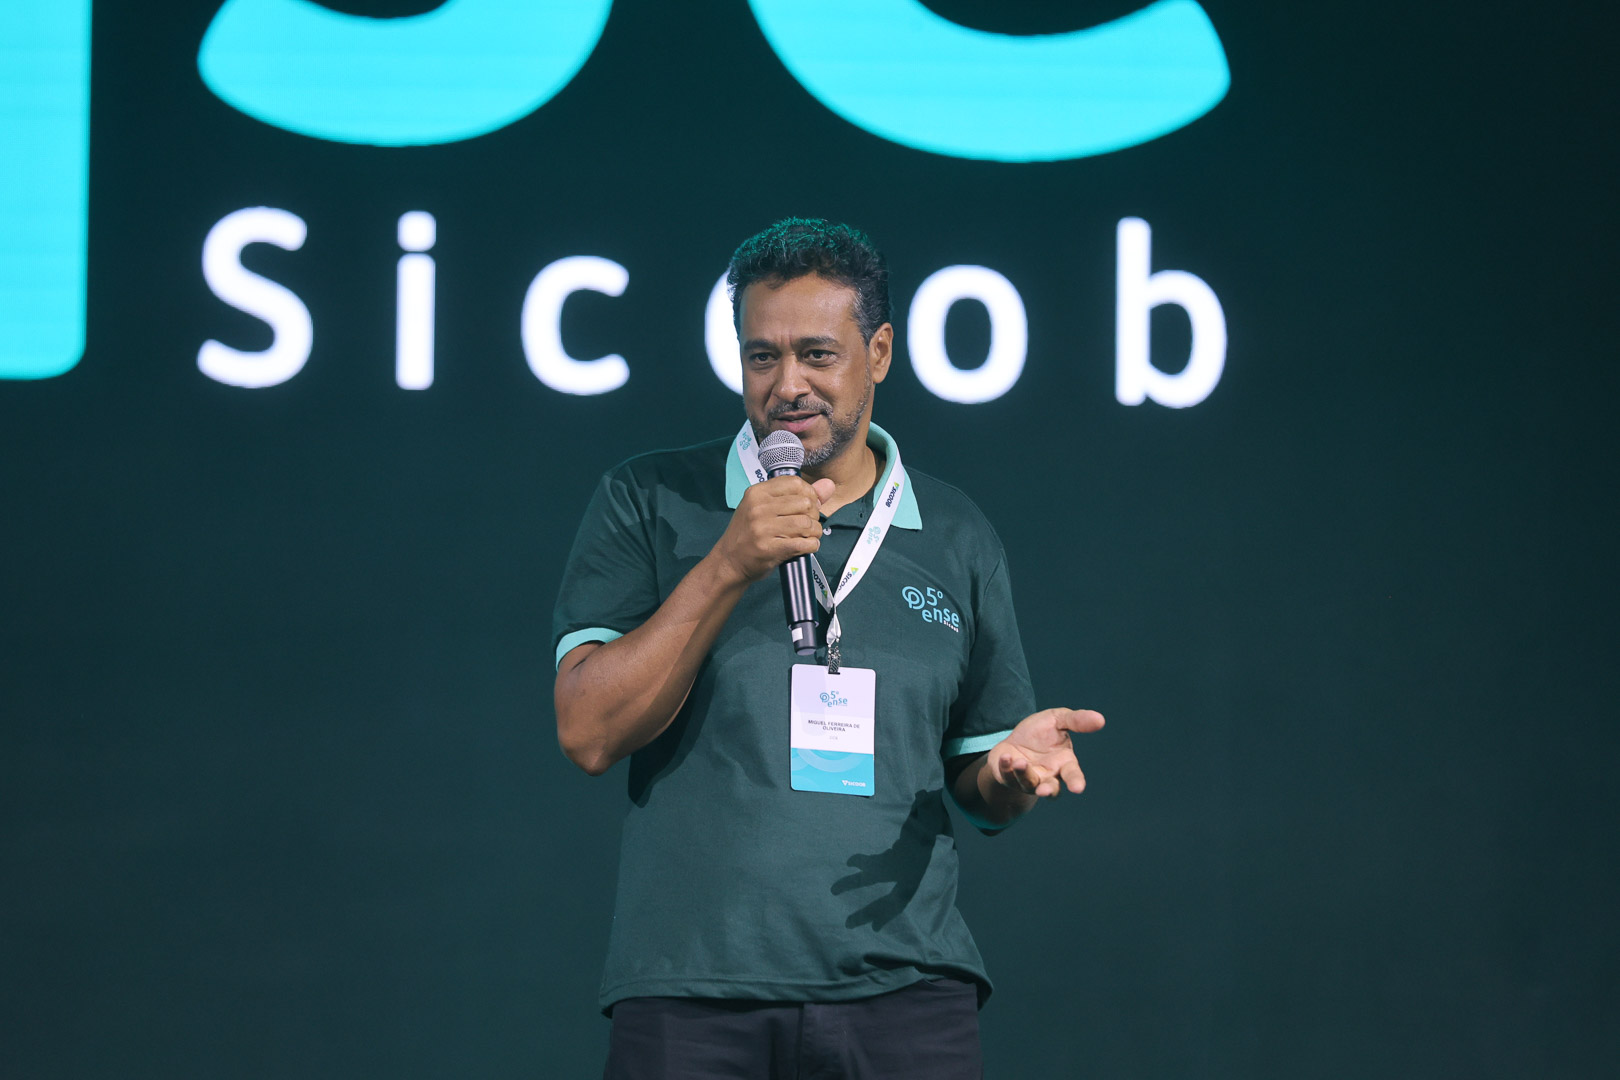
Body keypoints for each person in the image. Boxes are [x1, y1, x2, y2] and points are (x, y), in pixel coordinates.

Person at [552, 218, 1104, 1079]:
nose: (788, 386)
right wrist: (726, 563)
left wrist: (1005, 774)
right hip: (695, 991)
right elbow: (587, 732)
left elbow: (984, 789)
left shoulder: (955, 531)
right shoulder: (650, 498)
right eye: (761, 357)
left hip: (907, 990)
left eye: (817, 355)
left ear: (878, 353)